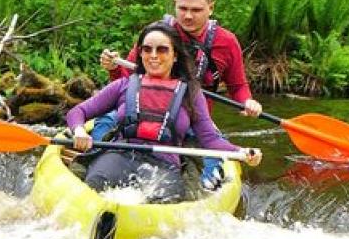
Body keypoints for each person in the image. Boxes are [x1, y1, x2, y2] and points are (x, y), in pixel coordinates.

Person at [67, 21, 262, 203]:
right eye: (147, 49)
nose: (153, 55)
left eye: (162, 50)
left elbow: (210, 140)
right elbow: (78, 112)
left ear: (175, 55)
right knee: (96, 185)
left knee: (162, 200)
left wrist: (241, 152)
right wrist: (79, 131)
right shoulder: (123, 85)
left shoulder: (191, 94)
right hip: (119, 155)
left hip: (163, 165)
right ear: (140, 54)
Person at [98, 0, 263, 189]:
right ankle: (94, 162)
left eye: (196, 10)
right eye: (183, 8)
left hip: (192, 122)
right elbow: (126, 82)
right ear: (175, 3)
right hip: (140, 113)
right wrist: (113, 69)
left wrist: (247, 101)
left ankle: (201, 188)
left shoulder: (227, 42)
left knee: (207, 175)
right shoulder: (155, 36)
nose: (188, 16)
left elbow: (238, 87)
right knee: (104, 123)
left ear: (210, 8)